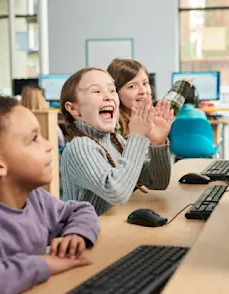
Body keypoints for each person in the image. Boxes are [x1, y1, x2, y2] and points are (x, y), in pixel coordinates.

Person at [0, 96, 100, 294]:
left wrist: (76, 234)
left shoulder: (36, 199)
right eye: (34, 139)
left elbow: (80, 210)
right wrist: (44, 264)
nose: (49, 145)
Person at [60, 68, 173, 215]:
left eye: (112, 90)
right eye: (96, 91)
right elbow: (116, 193)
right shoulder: (80, 147)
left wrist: (158, 143)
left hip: (110, 228)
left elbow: (158, 182)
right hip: (84, 235)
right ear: (73, 109)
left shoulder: (116, 141)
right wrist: (137, 137)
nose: (108, 96)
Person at [107, 58, 192, 138]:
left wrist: (183, 85)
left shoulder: (150, 115)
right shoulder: (111, 123)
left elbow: (167, 108)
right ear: (115, 92)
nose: (143, 91)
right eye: (132, 86)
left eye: (145, 83)